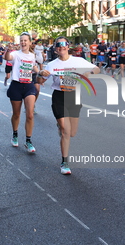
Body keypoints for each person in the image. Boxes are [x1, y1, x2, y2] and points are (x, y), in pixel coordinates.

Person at [37, 36, 100, 175]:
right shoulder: (52, 64)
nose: (61, 47)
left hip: (75, 97)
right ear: (55, 49)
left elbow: (96, 69)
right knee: (66, 131)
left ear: (68, 46)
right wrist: (40, 73)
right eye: (58, 45)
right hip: (59, 96)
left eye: (64, 44)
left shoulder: (78, 60)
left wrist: (88, 72)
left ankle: (60, 125)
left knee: (72, 133)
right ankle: (64, 162)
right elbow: (40, 80)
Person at [4, 32, 39, 153]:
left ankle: (28, 141)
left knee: (30, 114)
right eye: (21, 40)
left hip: (28, 86)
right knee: (16, 114)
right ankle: (15, 134)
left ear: (30, 42)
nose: (23, 42)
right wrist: (8, 50)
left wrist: (39, 71)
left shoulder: (32, 56)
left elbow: (33, 66)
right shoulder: (15, 54)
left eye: (25, 40)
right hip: (16, 85)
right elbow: (8, 58)